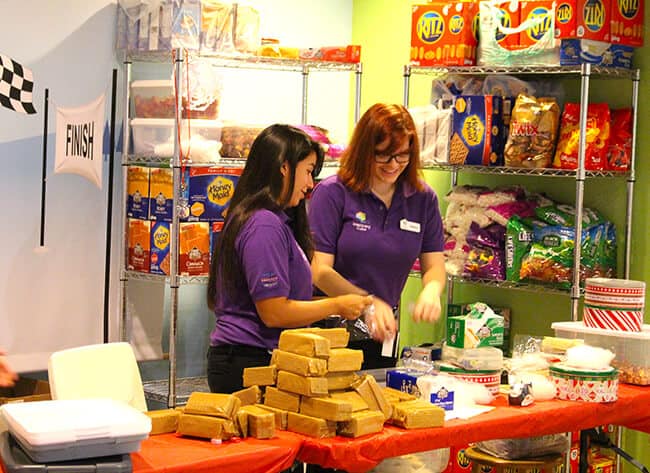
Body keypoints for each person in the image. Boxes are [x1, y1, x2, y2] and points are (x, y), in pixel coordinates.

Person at [206, 124, 372, 394]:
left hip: (259, 357)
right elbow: (274, 312)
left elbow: (286, 301)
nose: (309, 185)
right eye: (307, 172)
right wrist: (336, 305)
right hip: (248, 364)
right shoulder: (263, 225)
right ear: (284, 167)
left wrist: (346, 304)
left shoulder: (274, 221)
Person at [308, 103, 446, 370]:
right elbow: (319, 271)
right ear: (364, 151)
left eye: (402, 156)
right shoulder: (333, 193)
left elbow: (434, 266)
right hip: (329, 331)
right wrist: (368, 302)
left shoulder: (423, 198)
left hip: (382, 331)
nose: (393, 165)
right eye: (383, 156)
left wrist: (432, 290)